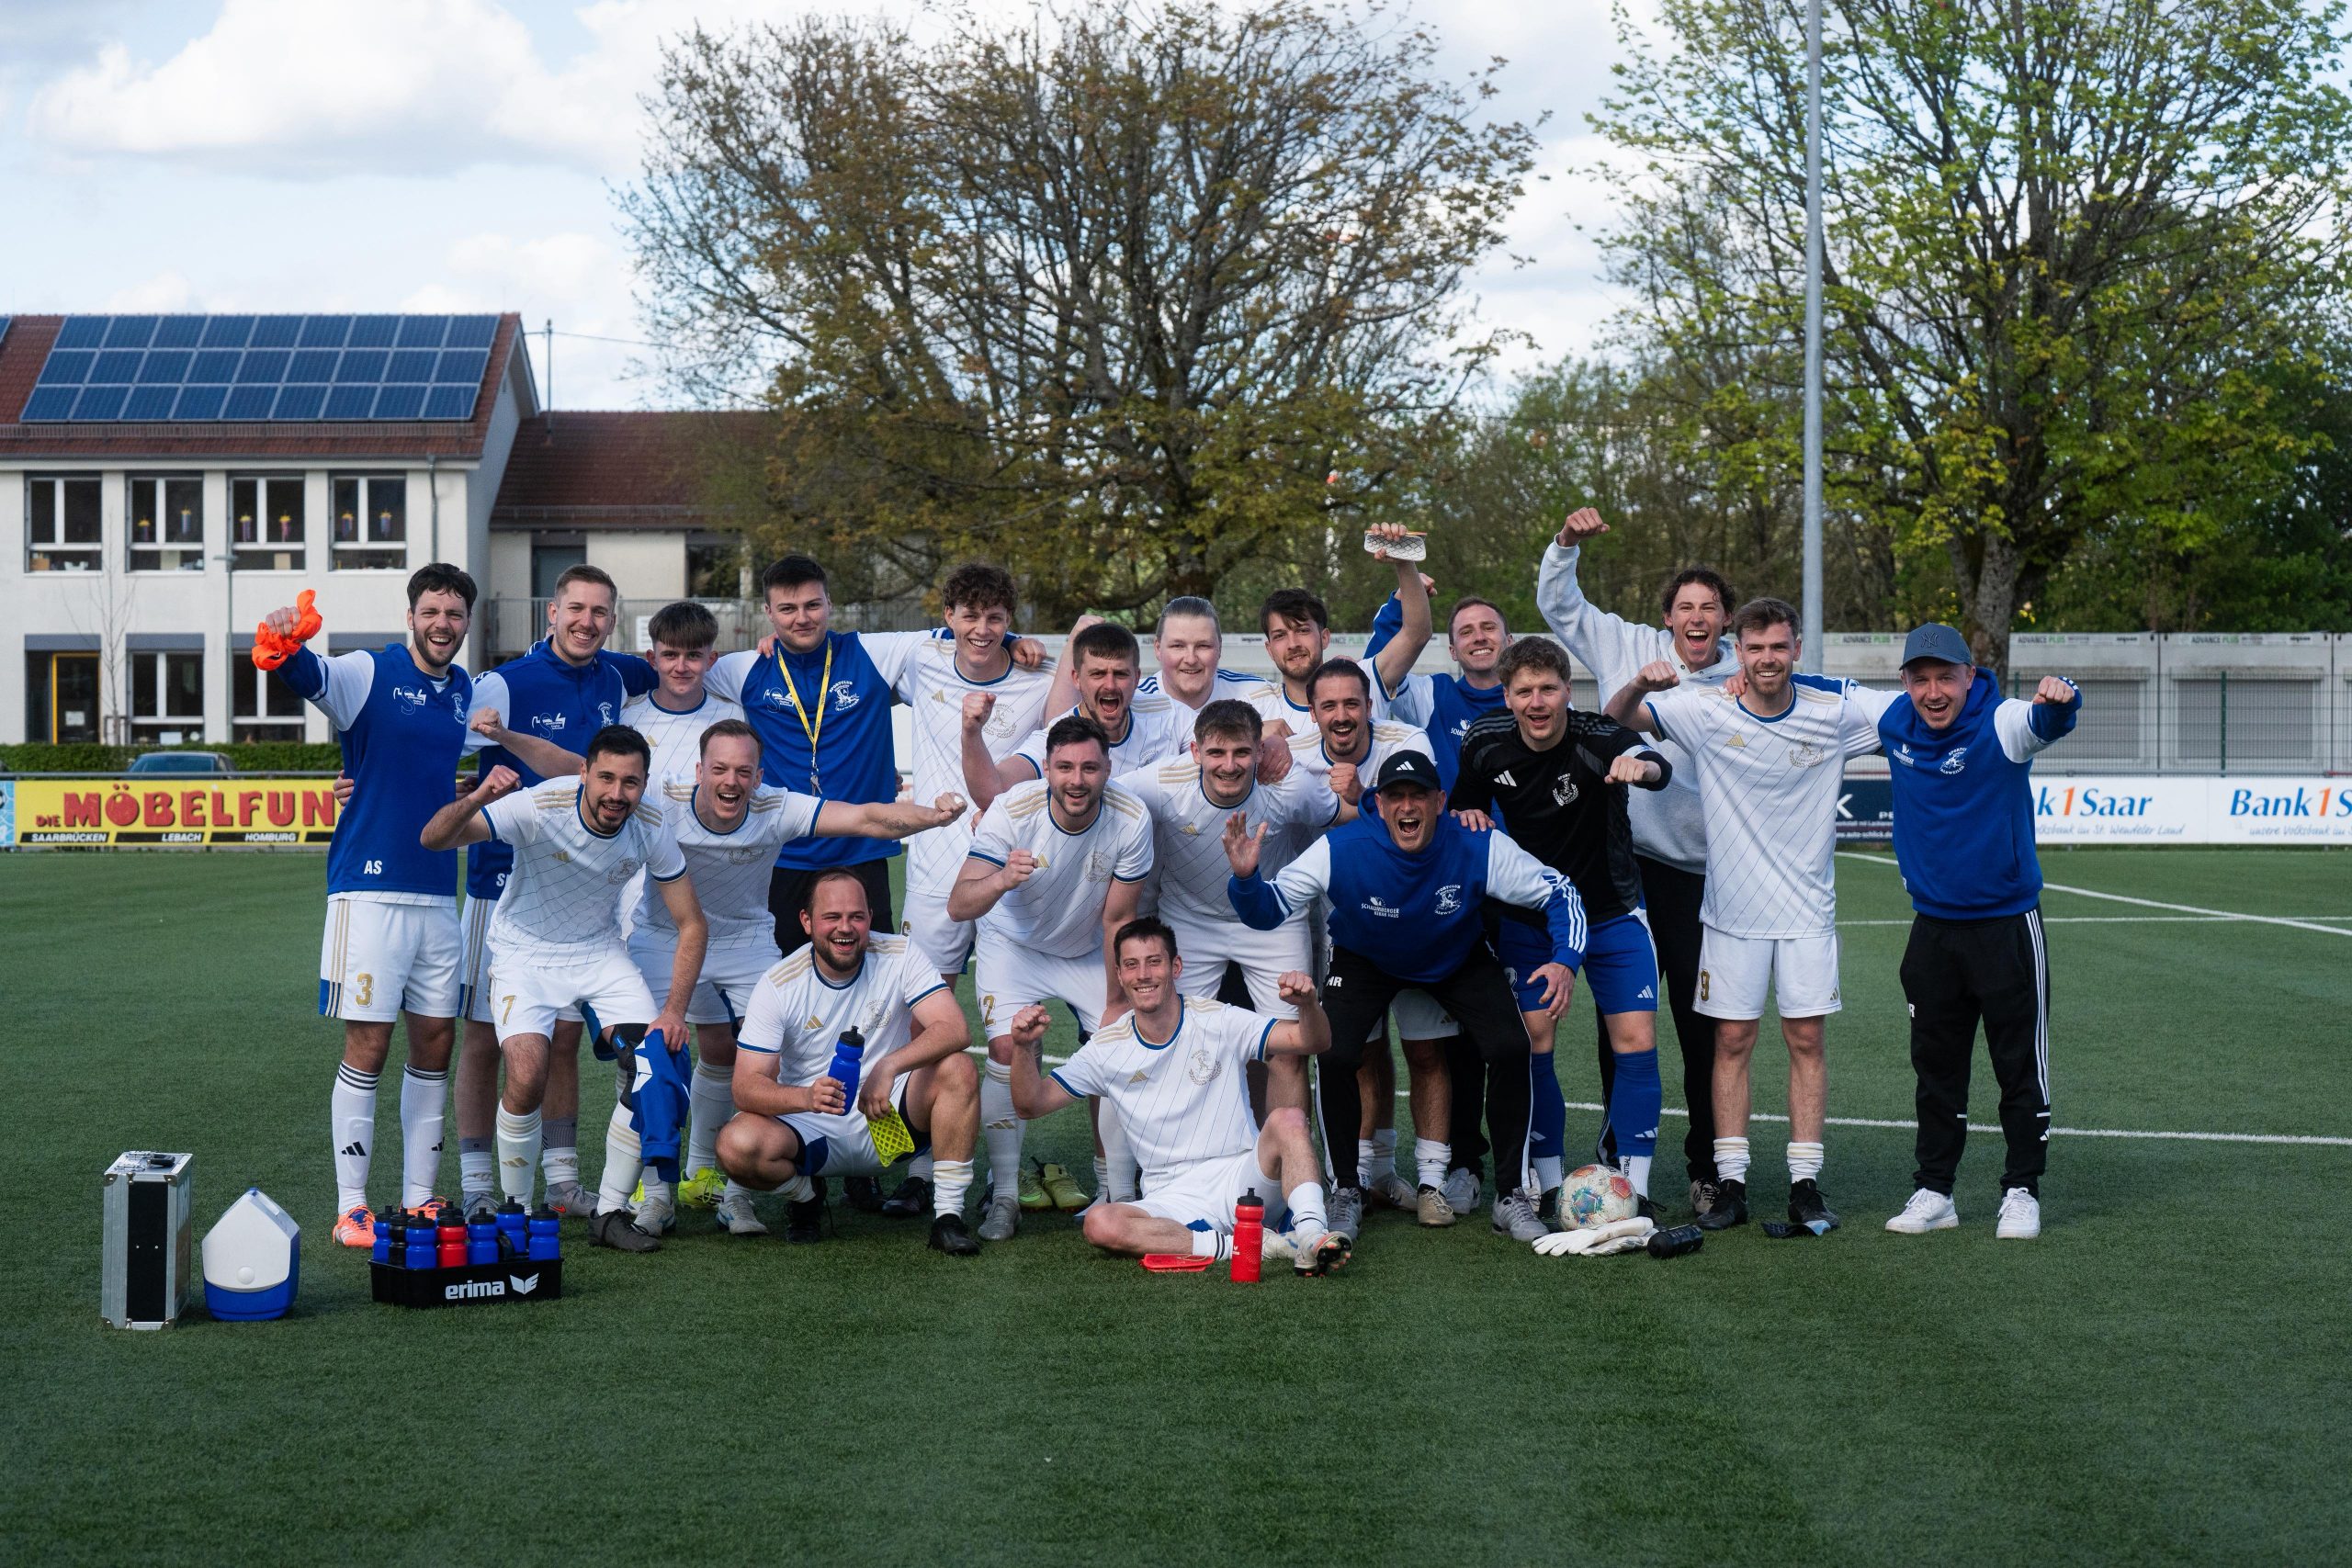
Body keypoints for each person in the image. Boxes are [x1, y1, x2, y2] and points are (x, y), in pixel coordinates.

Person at [603, 720, 967, 1246]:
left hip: (746, 939)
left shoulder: (776, 806)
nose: (732, 781)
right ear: (699, 770)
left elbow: (865, 817)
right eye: (720, 769)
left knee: (751, 1057)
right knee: (650, 1058)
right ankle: (656, 1195)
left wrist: (933, 817)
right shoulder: (661, 797)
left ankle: (735, 1193)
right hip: (665, 935)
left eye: (744, 771)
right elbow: (585, 776)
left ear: (759, 777)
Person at [1227, 750, 1589, 1246]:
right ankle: (1347, 1189)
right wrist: (1247, 879)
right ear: (1378, 804)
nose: (1407, 806)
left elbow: (1560, 891)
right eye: (1395, 796)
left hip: (1454, 955)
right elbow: (1267, 911)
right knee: (1335, 1052)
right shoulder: (1342, 847)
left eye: (1418, 795)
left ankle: (1510, 1195)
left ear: (1440, 802)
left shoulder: (1477, 844)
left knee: (1511, 1045)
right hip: (1365, 956)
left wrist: (1565, 959)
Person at [1603, 597, 1883, 1234]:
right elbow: (1615, 717)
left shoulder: (1832, 712)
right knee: (1730, 1043)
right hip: (1730, 913)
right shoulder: (1707, 709)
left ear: (1796, 649)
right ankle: (1730, 1184)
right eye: (1755, 648)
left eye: (1779, 647)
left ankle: (1805, 1186)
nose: (1767, 659)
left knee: (1806, 1041)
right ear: (1740, 651)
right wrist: (1640, 682)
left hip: (1807, 914)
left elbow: (1915, 714)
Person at [418, 726, 706, 1251]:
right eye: (606, 778)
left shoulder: (650, 823)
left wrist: (673, 1011)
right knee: (527, 1075)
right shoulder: (539, 805)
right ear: (584, 773)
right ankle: (516, 1214)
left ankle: (611, 1213)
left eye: (630, 782)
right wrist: (479, 797)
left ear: (644, 784)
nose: (617, 793)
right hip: (524, 953)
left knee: (656, 1062)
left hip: (599, 953)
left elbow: (692, 923)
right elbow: (433, 839)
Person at [265, 564, 478, 1246]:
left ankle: (419, 1199)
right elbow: (313, 677)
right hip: (369, 890)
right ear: (410, 617)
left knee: (436, 1042)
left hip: (437, 893)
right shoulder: (370, 671)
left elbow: (465, 759)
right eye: (431, 611)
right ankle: (352, 1206)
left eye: (454, 614)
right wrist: (283, 643)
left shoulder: (465, 691)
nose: (442, 623)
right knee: (370, 1042)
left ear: (466, 623)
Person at [1537, 504, 1740, 1214]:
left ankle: (1707, 1165)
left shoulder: (1749, 673)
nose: (1696, 617)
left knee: (1701, 1021)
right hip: (1623, 871)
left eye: (1709, 607)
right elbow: (1558, 603)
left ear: (1725, 620)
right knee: (1620, 1018)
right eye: (1685, 606)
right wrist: (1567, 542)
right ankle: (1619, 1152)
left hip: (1701, 878)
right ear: (1666, 617)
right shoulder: (1627, 644)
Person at [705, 553, 1045, 957]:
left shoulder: (874, 652)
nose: (802, 618)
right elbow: (680, 676)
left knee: (874, 980)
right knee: (780, 977)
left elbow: (959, 628)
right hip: (782, 855)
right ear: (768, 613)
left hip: (863, 849)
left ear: (830, 604)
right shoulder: (743, 669)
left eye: (812, 605)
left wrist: (1013, 640)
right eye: (788, 609)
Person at [1859, 626, 2080, 1241]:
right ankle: (1936, 1190)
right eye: (1920, 679)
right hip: (1932, 932)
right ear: (1905, 682)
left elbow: (2046, 721)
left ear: (1969, 676)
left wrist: (2064, 696)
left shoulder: (2001, 722)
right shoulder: (1893, 718)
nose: (1933, 692)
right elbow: (1825, 692)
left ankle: (2022, 1190)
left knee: (2019, 1066)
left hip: (2007, 929)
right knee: (1935, 1070)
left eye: (1945, 678)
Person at [455, 563, 657, 1219]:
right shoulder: (504, 682)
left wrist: (758, 648)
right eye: (575, 608)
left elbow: (683, 661)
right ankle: (479, 1184)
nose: (586, 622)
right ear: (552, 611)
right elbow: (435, 746)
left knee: (564, 1039)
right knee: (486, 1037)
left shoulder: (616, 676)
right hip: (500, 883)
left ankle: (563, 1182)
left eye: (600, 612)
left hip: (580, 896)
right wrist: (357, 778)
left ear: (613, 620)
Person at [1451, 637, 1673, 1214]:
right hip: (1531, 919)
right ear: (1507, 697)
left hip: (1613, 913)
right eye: (1524, 691)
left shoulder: (1597, 736)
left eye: (1548, 689)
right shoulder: (1484, 742)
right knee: (1535, 1041)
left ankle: (1635, 1187)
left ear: (1567, 692)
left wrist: (1642, 766)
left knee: (1636, 1042)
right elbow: (1462, 804)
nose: (1537, 701)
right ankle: (1547, 1183)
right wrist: (1465, 813)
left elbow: (1658, 766)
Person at [1005, 918, 1351, 1275]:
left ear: (1176, 966)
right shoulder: (1105, 1048)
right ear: (1119, 975)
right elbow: (1030, 1104)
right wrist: (1022, 1048)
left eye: (1154, 962)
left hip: (1242, 1177)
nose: (1143, 974)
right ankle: (1253, 1245)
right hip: (1170, 1196)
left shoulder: (1218, 1019)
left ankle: (1311, 1236)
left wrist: (1308, 1006)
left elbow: (1313, 1041)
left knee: (1289, 1119)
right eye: (1131, 965)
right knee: (1100, 1224)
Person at [948, 716, 1155, 1241]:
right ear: (1046, 769)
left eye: (1089, 767)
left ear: (1108, 768)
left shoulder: (1132, 817)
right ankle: (1004, 1197)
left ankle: (1117, 1194)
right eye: (1064, 767)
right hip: (1013, 946)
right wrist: (1002, 878)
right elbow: (959, 904)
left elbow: (1118, 920)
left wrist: (1116, 1002)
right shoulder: (1012, 810)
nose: (1077, 780)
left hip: (1087, 947)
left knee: (1117, 1044)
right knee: (1004, 1050)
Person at [717, 871, 985, 1255]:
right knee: (735, 1144)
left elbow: (955, 1029)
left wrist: (888, 1067)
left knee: (959, 1068)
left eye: (856, 916)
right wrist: (806, 1098)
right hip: (809, 1125)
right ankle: (806, 1196)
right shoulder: (778, 984)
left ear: (870, 917)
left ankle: (948, 1218)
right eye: (832, 917)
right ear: (807, 921)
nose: (845, 928)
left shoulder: (900, 954)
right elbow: (745, 1087)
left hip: (887, 1111)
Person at [1282, 660, 1451, 1219]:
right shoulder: (1294, 753)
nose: (1341, 715)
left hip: (1419, 921)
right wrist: (1267, 740)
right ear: (1312, 713)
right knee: (1359, 1053)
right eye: (1328, 705)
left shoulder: (1408, 742)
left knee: (1424, 1049)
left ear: (1369, 706)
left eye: (1351, 703)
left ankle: (1423, 1182)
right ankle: (1359, 1179)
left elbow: (1423, 828)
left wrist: (1359, 802)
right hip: (1347, 931)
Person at [1123, 701, 1345, 1109]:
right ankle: (1188, 1148)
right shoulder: (1162, 782)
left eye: (1241, 752)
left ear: (1260, 751)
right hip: (1189, 920)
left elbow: (1344, 814)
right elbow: (1098, 797)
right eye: (1216, 753)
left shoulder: (1289, 783)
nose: (1229, 765)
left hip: (1273, 921)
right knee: (1175, 1040)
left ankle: (1286, 1149)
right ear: (1195, 752)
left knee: (1289, 1049)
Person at [893, 562, 1058, 984]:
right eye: (970, 616)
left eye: (995, 618)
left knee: (1016, 1010)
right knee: (923, 1005)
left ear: (1009, 619)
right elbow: (849, 672)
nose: (982, 630)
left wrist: (1018, 643)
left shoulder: (1043, 679)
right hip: (934, 871)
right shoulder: (922, 658)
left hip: (1009, 869)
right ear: (949, 616)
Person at [962, 620, 1192, 813]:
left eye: (1120, 674)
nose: (1110, 685)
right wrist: (971, 733)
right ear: (1076, 678)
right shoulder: (1057, 737)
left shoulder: (1167, 712)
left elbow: (1211, 755)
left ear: (1137, 677)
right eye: (1098, 674)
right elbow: (993, 792)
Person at [1256, 524, 1433, 729]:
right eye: (1280, 635)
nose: (1293, 644)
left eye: (1303, 630)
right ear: (1269, 649)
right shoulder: (1256, 708)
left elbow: (1416, 634)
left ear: (1324, 637)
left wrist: (1403, 561)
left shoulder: (1363, 680)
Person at [619, 600, 744, 785]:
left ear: (711, 660)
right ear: (652, 659)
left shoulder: (736, 716)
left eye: (693, 656)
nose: (681, 667)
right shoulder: (624, 716)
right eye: (670, 655)